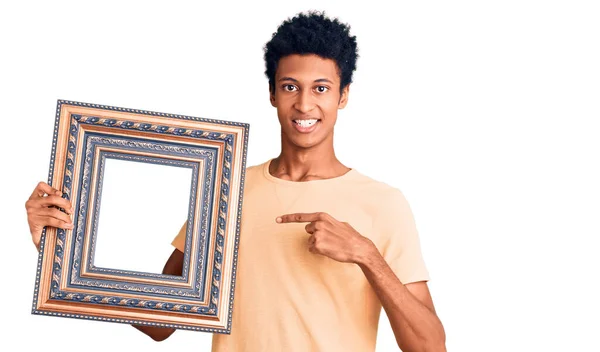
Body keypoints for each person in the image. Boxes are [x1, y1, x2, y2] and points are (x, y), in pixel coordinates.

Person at [25, 11, 446, 352]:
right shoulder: (226, 189)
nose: (304, 104)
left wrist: (367, 256)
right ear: (272, 94)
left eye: (321, 88)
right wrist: (60, 253)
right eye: (290, 87)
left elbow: (430, 346)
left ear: (344, 95)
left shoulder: (384, 203)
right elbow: (159, 325)